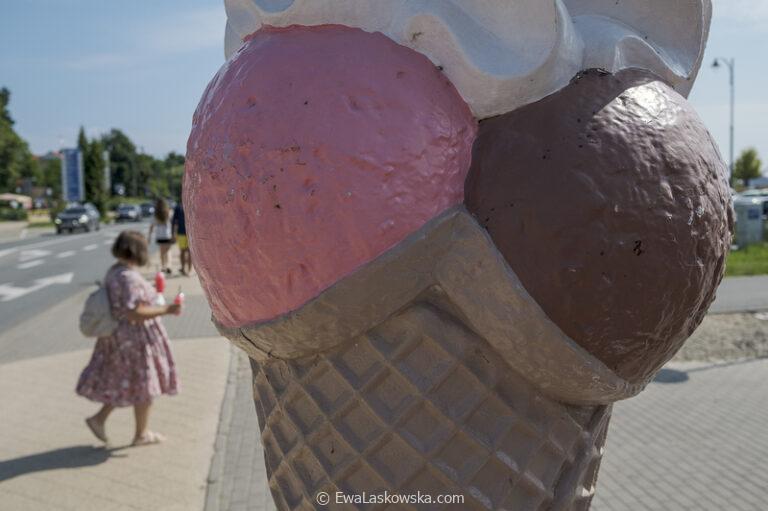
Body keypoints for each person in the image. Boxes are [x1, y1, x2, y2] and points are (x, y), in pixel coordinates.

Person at [76, 230, 181, 446]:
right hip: (135, 339)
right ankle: (141, 434)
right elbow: (134, 312)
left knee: (127, 381)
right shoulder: (128, 277)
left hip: (119, 337)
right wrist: (167, 310)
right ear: (137, 251)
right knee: (145, 384)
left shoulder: (115, 271)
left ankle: (100, 419)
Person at [148, 198, 174, 274]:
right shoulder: (169, 212)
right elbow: (173, 223)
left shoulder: (155, 214)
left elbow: (151, 226)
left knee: (162, 252)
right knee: (168, 251)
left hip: (159, 236)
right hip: (167, 235)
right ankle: (169, 265)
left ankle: (163, 266)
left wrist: (149, 236)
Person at [172, 200, 191, 276]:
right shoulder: (178, 207)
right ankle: (184, 269)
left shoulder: (190, 205)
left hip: (187, 233)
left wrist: (174, 233)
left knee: (187, 252)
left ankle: (188, 269)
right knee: (185, 252)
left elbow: (175, 222)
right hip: (182, 233)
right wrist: (174, 233)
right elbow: (175, 221)